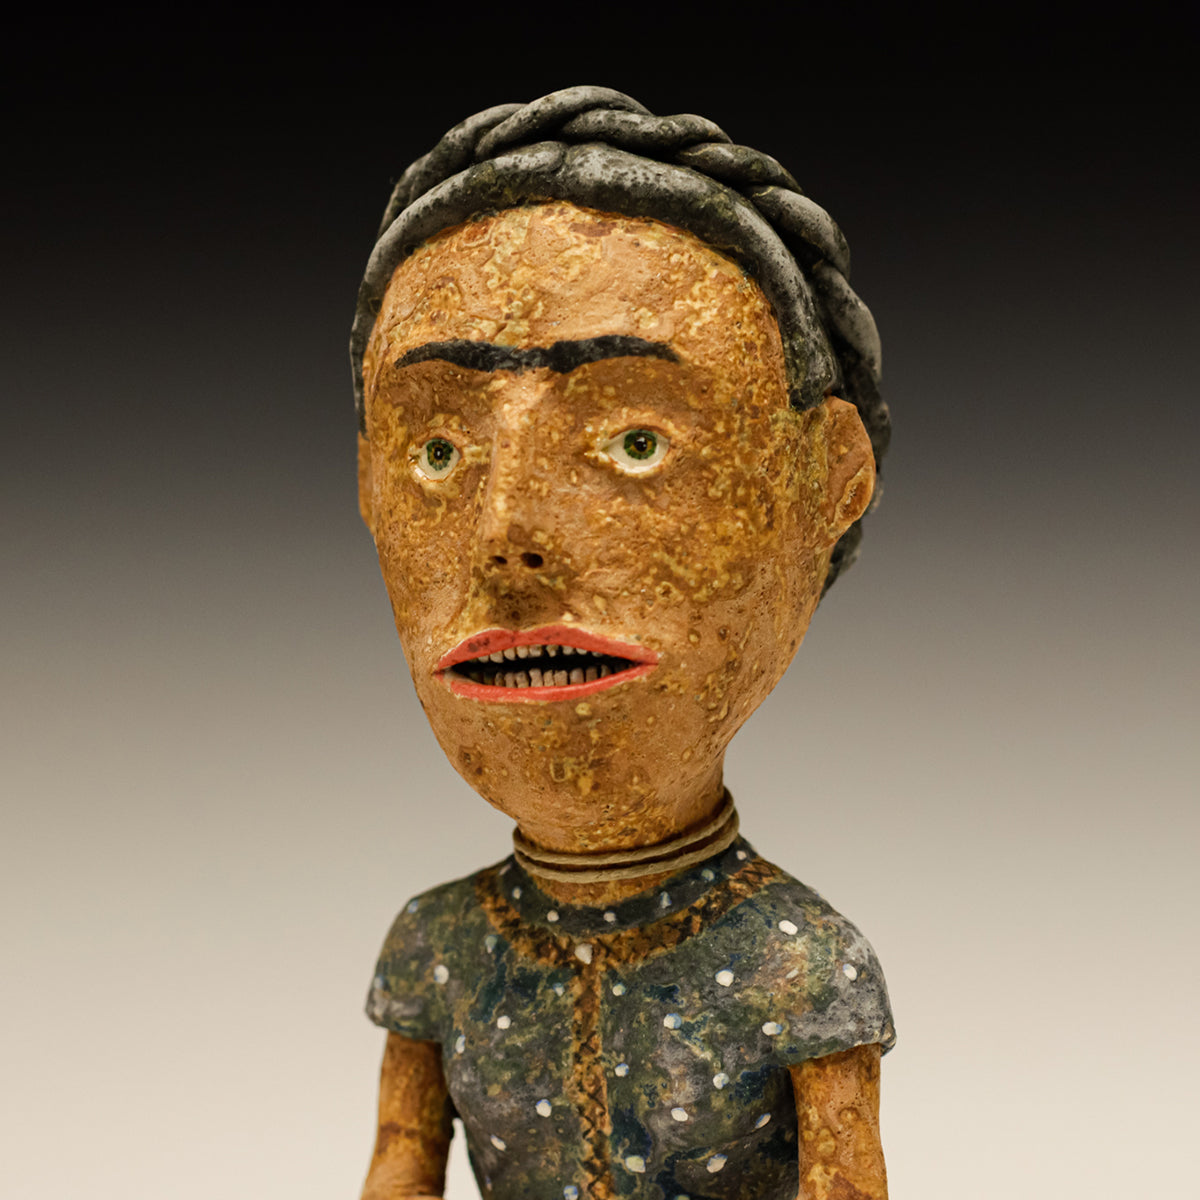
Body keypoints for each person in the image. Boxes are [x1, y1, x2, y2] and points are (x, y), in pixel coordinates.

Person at [351, 87, 894, 1200]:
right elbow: (399, 1169)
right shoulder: (437, 947)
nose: (507, 538)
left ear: (825, 486)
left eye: (635, 440)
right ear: (366, 490)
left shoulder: (796, 964)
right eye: (440, 450)